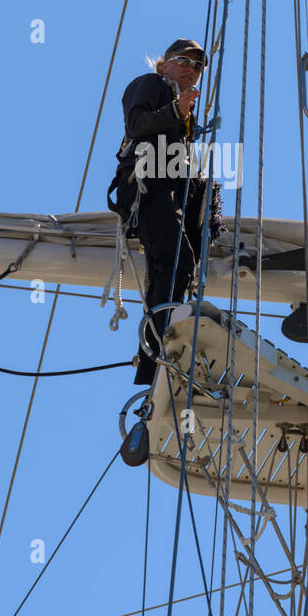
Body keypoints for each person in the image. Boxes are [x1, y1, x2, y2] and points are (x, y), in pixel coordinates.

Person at [109, 39, 208, 387]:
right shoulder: (149, 84)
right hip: (146, 187)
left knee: (184, 262)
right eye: (183, 61)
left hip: (170, 191)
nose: (191, 69)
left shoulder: (185, 112)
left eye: (197, 66)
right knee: (174, 261)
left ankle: (168, 337)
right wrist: (176, 113)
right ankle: (154, 355)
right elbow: (136, 124)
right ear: (164, 65)